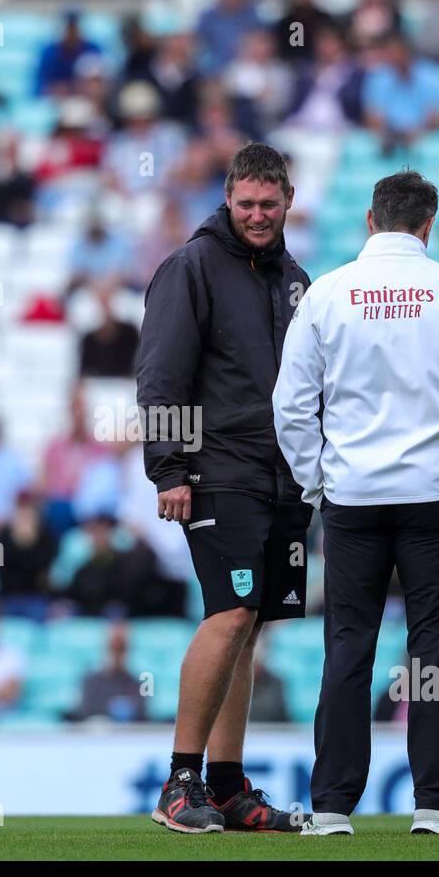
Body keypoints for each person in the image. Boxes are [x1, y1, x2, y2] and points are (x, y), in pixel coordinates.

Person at [274, 169, 439, 836]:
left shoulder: (327, 294)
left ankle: (330, 807)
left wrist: (316, 483)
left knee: (347, 646)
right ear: (428, 225)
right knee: (431, 650)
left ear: (370, 221)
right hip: (437, 493)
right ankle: (437, 804)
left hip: (352, 495)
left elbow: (291, 407)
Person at [136, 142, 311, 833]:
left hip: (282, 477)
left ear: (289, 199)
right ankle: (180, 780)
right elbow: (160, 376)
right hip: (216, 471)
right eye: (247, 204)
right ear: (228, 199)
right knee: (232, 613)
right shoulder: (191, 267)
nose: (259, 215)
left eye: (270, 204)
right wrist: (170, 468)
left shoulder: (296, 278)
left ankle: (229, 785)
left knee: (250, 628)